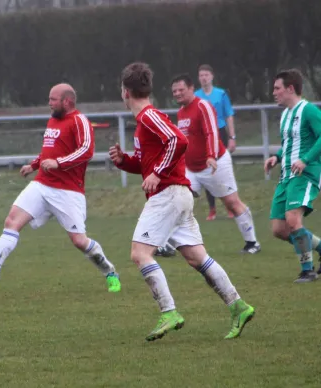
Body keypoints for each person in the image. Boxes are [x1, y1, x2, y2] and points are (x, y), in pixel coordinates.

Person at [109, 62, 254, 341]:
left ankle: (169, 311)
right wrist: (124, 161)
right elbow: (144, 163)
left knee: (140, 254)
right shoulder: (145, 122)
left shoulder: (149, 117)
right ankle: (239, 306)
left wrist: (157, 173)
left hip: (168, 194)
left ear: (125, 92)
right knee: (196, 257)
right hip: (177, 194)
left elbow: (179, 141)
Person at [0, 83, 121, 292]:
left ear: (67, 101)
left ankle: (109, 271)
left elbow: (86, 151)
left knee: (79, 241)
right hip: (42, 184)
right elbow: (49, 151)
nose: (49, 103)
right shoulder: (53, 120)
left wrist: (59, 163)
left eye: (53, 99)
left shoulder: (79, 120)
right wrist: (34, 164)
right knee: (11, 221)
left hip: (68, 191)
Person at [172, 74, 261, 254]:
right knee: (177, 199)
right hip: (192, 169)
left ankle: (252, 243)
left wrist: (211, 155)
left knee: (231, 203)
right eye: (174, 91)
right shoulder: (181, 112)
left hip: (215, 164)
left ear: (191, 88)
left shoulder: (202, 106)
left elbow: (212, 132)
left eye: (181, 90)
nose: (177, 93)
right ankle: (172, 243)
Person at [265, 69, 321, 282]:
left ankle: (307, 270)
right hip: (286, 175)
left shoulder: (308, 110)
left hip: (304, 174)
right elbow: (290, 144)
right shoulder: (286, 114)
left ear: (290, 88)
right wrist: (277, 157)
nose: (273, 92)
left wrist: (306, 159)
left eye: (277, 88)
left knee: (293, 220)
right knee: (279, 229)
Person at [196, 64, 237, 220]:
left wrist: (232, 137)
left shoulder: (221, 94)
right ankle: (212, 209)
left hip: (219, 133)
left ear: (212, 76)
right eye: (201, 75)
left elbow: (229, 115)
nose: (204, 78)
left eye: (206, 74)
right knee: (208, 171)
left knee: (224, 171)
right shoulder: (196, 96)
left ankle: (231, 207)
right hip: (203, 136)